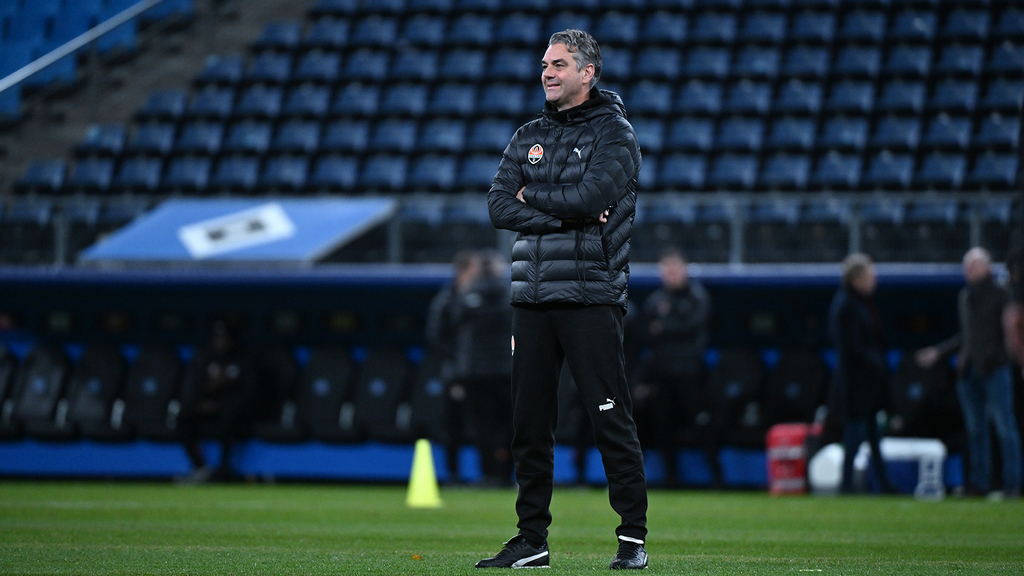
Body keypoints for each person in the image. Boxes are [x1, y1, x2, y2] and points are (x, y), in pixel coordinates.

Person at [478, 29, 648, 570]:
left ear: (587, 72)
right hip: (530, 298)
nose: (547, 73)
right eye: (544, 65)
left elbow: (593, 196)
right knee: (529, 425)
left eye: (558, 65)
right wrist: (561, 216)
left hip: (591, 294)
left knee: (609, 419)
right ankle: (532, 540)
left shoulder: (616, 134)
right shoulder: (528, 133)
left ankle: (632, 540)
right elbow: (498, 206)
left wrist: (533, 196)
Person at [916, 248, 1022, 498]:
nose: (968, 271)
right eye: (966, 266)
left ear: (987, 267)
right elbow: (966, 336)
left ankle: (1013, 483)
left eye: (973, 266)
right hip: (969, 371)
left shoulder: (1001, 294)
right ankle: (978, 483)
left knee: (1005, 427)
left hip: (994, 369)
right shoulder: (965, 296)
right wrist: (939, 352)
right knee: (975, 430)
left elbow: (1011, 332)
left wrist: (1010, 358)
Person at [635, 247, 711, 488]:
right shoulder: (655, 300)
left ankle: (717, 477)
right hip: (662, 375)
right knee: (663, 426)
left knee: (702, 422)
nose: (670, 274)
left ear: (684, 269)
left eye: (674, 269)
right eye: (666, 270)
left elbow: (694, 330)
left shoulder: (698, 297)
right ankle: (670, 477)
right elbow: (646, 334)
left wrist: (666, 328)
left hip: (690, 373)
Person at [827, 254, 898, 494]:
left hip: (866, 384)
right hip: (856, 385)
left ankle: (883, 483)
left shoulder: (860, 303)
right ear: (856, 279)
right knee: (855, 434)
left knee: (872, 436)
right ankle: (847, 484)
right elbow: (852, 347)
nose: (874, 280)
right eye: (870, 275)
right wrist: (876, 363)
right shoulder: (847, 305)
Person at [449, 250, 515, 487]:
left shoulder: (468, 293)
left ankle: (489, 474)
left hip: (476, 372)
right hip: (506, 370)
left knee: (483, 426)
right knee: (510, 424)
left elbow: (455, 323)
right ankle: (507, 474)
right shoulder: (509, 292)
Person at [425, 250, 481, 484]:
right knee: (453, 425)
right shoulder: (446, 300)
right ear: (464, 270)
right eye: (475, 269)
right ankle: (453, 474)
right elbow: (435, 338)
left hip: (482, 373)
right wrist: (458, 366)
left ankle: (490, 475)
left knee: (486, 425)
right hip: (455, 374)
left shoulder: (483, 298)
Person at [177, 318, 254, 483]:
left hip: (233, 412)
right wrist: (207, 395)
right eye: (217, 338)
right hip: (207, 410)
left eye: (225, 338)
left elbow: (249, 394)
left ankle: (224, 469)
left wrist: (221, 403)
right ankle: (199, 467)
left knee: (229, 415)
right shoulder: (204, 358)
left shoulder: (242, 360)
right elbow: (193, 388)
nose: (221, 342)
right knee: (184, 416)